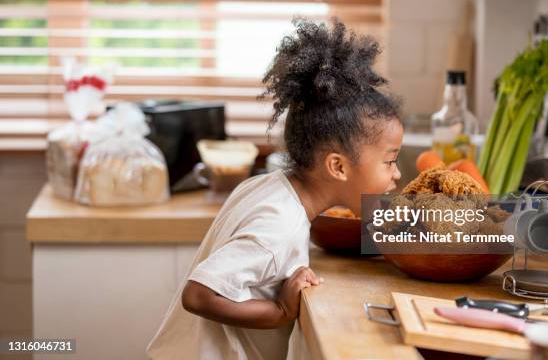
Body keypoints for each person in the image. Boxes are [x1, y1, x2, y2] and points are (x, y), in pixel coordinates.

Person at [146, 18, 403, 359]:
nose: (397, 174)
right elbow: (198, 294)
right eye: (389, 161)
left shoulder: (270, 187)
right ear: (338, 167)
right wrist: (280, 312)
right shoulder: (278, 226)